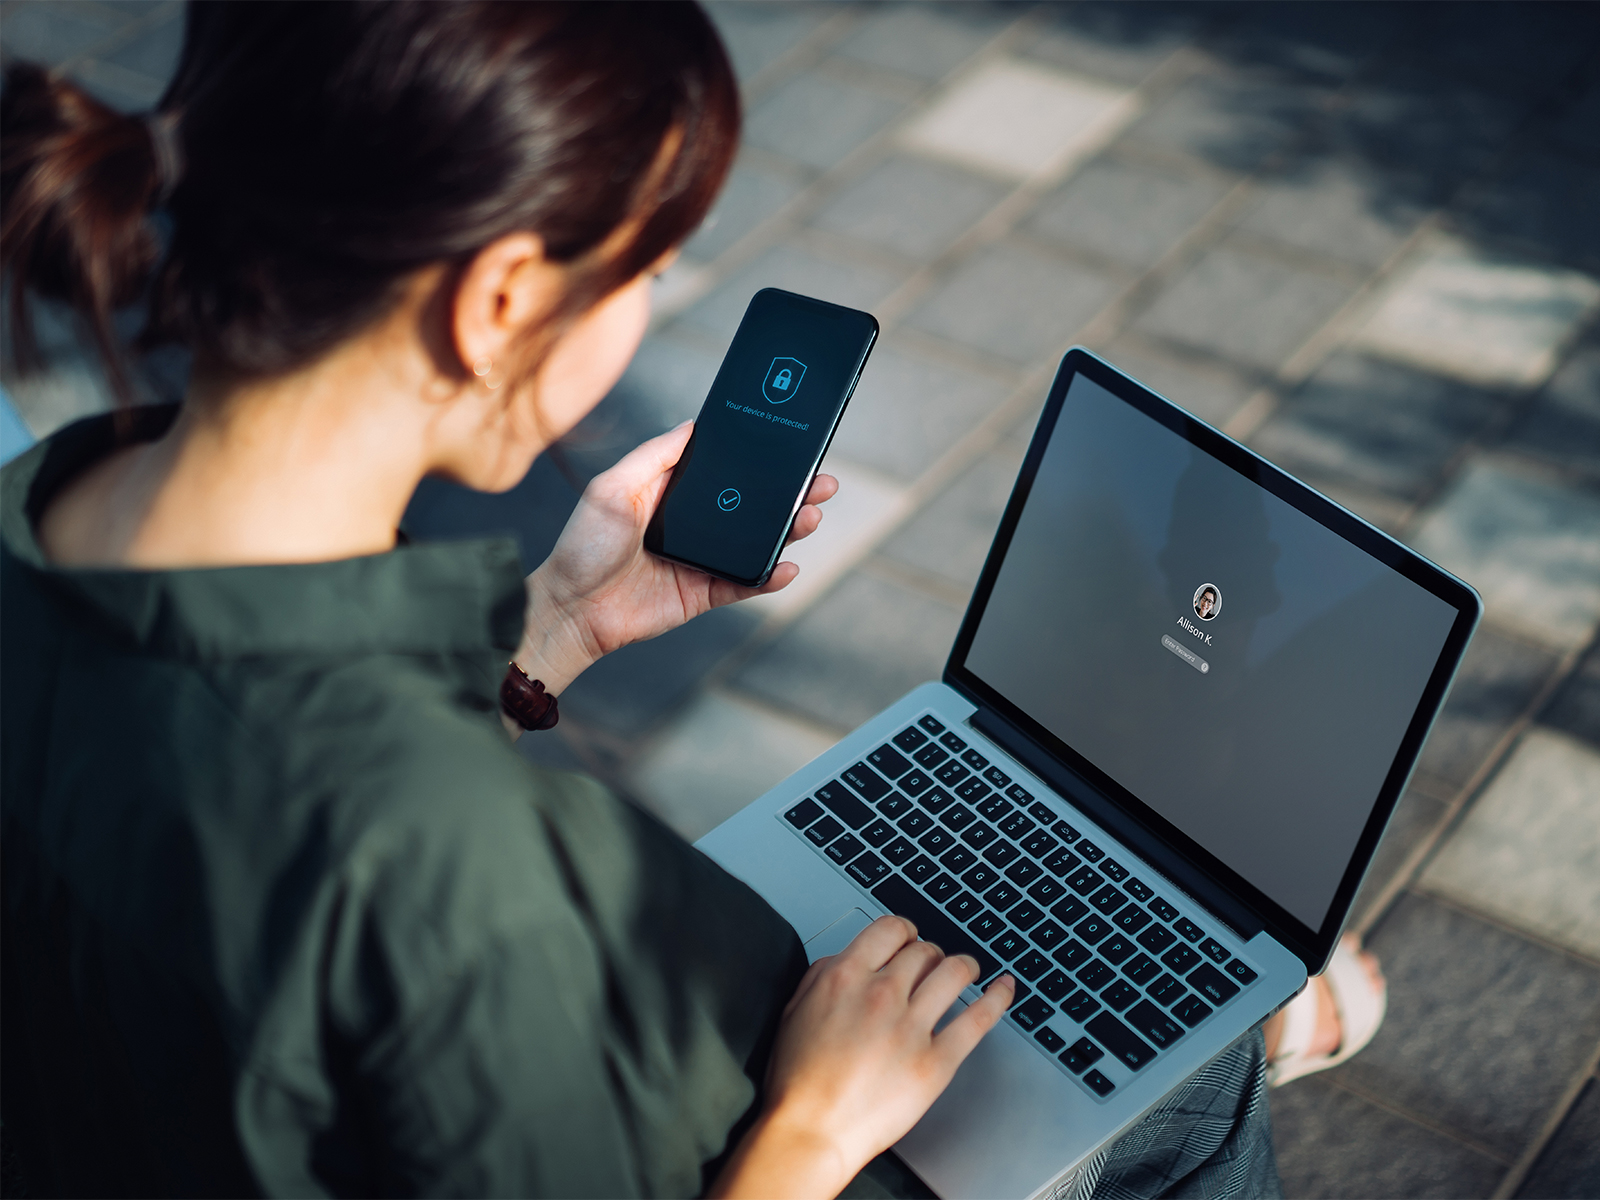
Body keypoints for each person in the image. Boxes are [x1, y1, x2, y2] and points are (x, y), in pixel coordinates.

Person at [0, 4, 1381, 1196]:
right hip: (748, 1132)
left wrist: (559, 630)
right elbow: (382, 858)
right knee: (1194, 1085)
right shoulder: (446, 864)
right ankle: (1243, 1044)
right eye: (647, 269)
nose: (650, 308)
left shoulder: (47, 510)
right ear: (495, 305)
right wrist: (812, 1125)